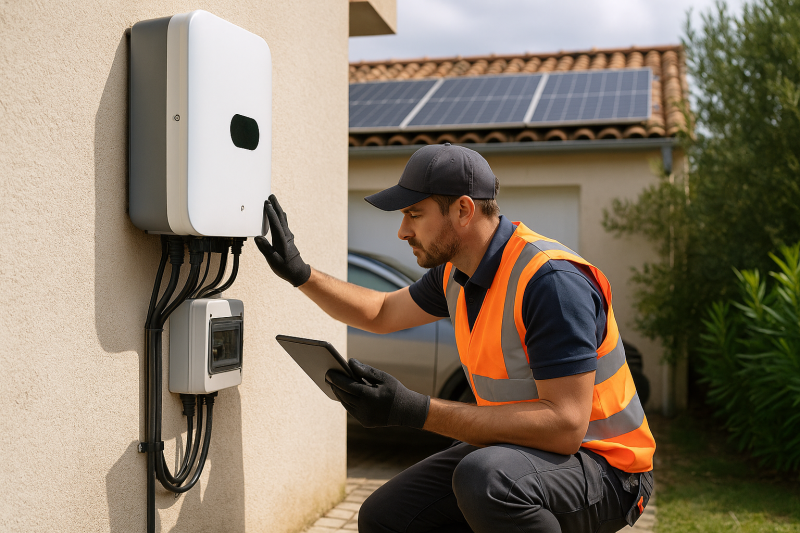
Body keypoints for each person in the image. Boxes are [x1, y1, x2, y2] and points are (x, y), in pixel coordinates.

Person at [255, 143, 655, 533]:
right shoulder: (454, 274)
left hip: (608, 468)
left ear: (463, 210)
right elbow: (381, 311)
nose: (402, 231)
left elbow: (565, 427)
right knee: (384, 516)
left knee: (486, 480)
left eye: (414, 214)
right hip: (521, 452)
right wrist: (302, 274)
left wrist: (412, 409)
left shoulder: (551, 281)